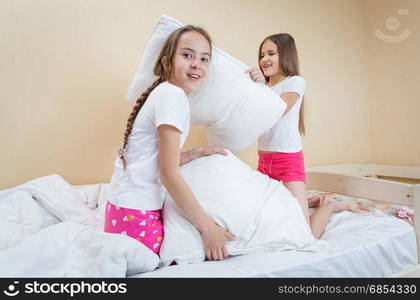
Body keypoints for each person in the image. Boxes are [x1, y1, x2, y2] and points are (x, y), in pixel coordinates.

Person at [104, 25, 235, 260]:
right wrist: (208, 228)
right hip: (136, 218)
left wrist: (196, 153)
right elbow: (168, 174)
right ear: (166, 63)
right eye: (187, 55)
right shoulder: (172, 96)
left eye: (204, 59)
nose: (197, 64)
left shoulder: (166, 93)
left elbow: (152, 160)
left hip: (121, 211)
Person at [247, 33, 349, 238]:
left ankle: (327, 205)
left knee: (305, 234)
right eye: (262, 54)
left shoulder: (295, 82)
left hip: (287, 161)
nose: (264, 59)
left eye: (271, 53)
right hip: (264, 161)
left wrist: (258, 88)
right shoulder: (263, 88)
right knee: (265, 220)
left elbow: (277, 109)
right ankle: (307, 201)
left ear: (285, 55)